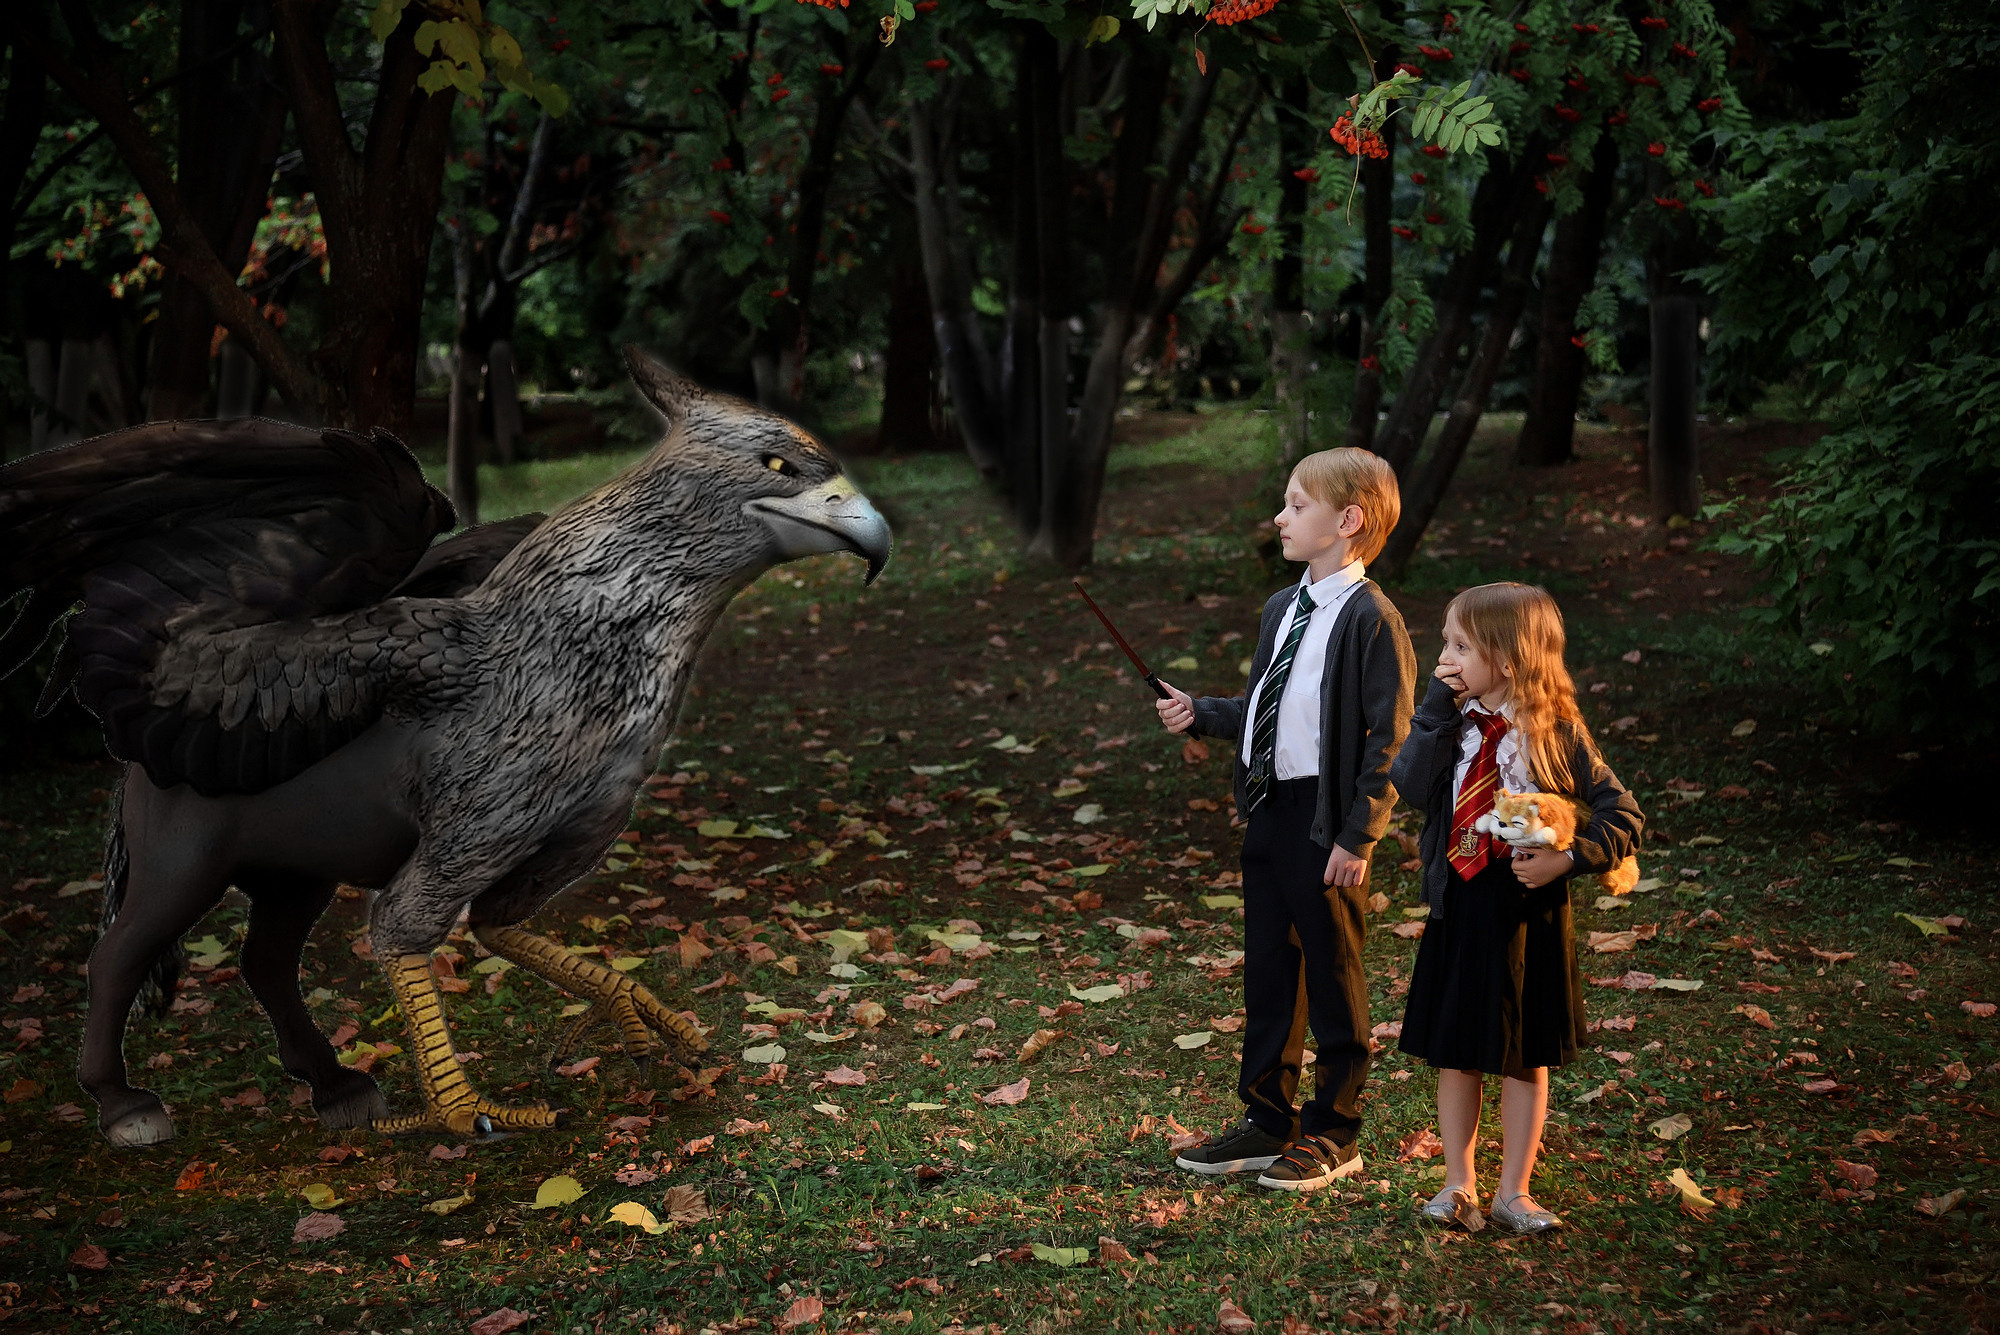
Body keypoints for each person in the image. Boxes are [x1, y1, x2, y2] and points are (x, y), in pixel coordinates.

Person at [1154, 448, 1416, 1191]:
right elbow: (1270, 712)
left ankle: (1335, 1127)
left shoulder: (1372, 619)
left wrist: (1357, 834)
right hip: (1269, 811)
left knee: (1333, 970)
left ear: (1347, 520)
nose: (1280, 516)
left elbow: (1388, 737)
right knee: (1270, 970)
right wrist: (1202, 713)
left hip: (1325, 822)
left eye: (1296, 505)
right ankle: (1268, 1120)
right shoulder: (1281, 608)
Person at [1391, 583, 1643, 1234]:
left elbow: (1625, 813)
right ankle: (1457, 1183)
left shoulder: (1557, 733)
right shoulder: (1450, 724)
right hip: (1461, 902)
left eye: (1457, 645)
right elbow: (1412, 786)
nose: (1444, 656)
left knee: (1523, 1051)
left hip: (1528, 913)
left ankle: (1514, 1190)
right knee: (1458, 1051)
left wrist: (1571, 856)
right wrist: (1433, 708)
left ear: (1506, 658)